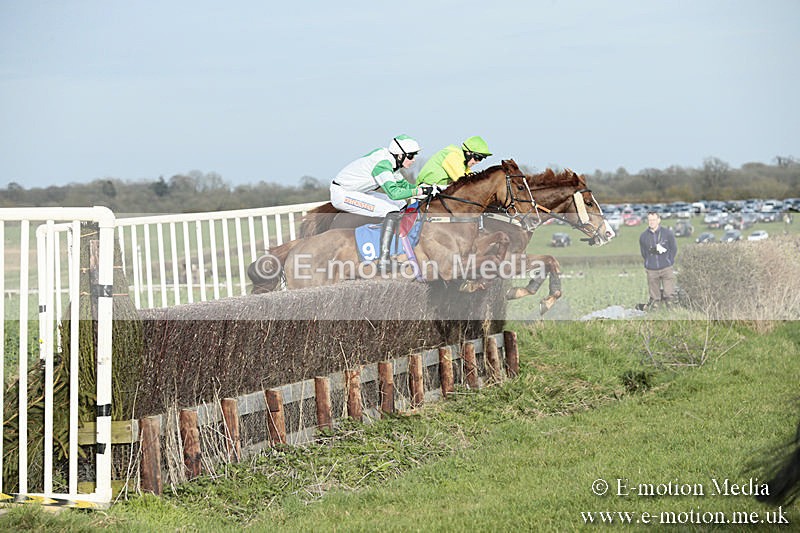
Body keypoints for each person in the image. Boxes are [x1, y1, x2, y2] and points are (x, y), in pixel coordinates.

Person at [330, 135, 434, 271]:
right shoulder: (383, 165)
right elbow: (394, 193)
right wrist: (419, 191)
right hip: (343, 194)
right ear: (400, 155)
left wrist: (430, 189)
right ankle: (384, 260)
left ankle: (399, 247)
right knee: (391, 211)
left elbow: (404, 186)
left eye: (414, 156)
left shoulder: (392, 162)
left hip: (358, 191)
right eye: (410, 156)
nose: (413, 160)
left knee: (401, 204)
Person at [416, 135, 492, 187]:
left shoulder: (463, 162)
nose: (478, 162)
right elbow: (464, 182)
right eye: (477, 157)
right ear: (468, 153)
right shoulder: (453, 156)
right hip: (424, 189)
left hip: (437, 188)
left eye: (481, 159)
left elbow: (472, 178)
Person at [639, 212, 678, 308]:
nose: (651, 222)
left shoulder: (667, 233)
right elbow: (644, 253)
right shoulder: (643, 236)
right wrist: (649, 262)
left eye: (653, 220)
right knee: (655, 298)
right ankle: (656, 313)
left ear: (659, 220)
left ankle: (672, 314)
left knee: (669, 295)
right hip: (651, 269)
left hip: (666, 268)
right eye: (649, 220)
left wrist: (669, 261)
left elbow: (673, 248)